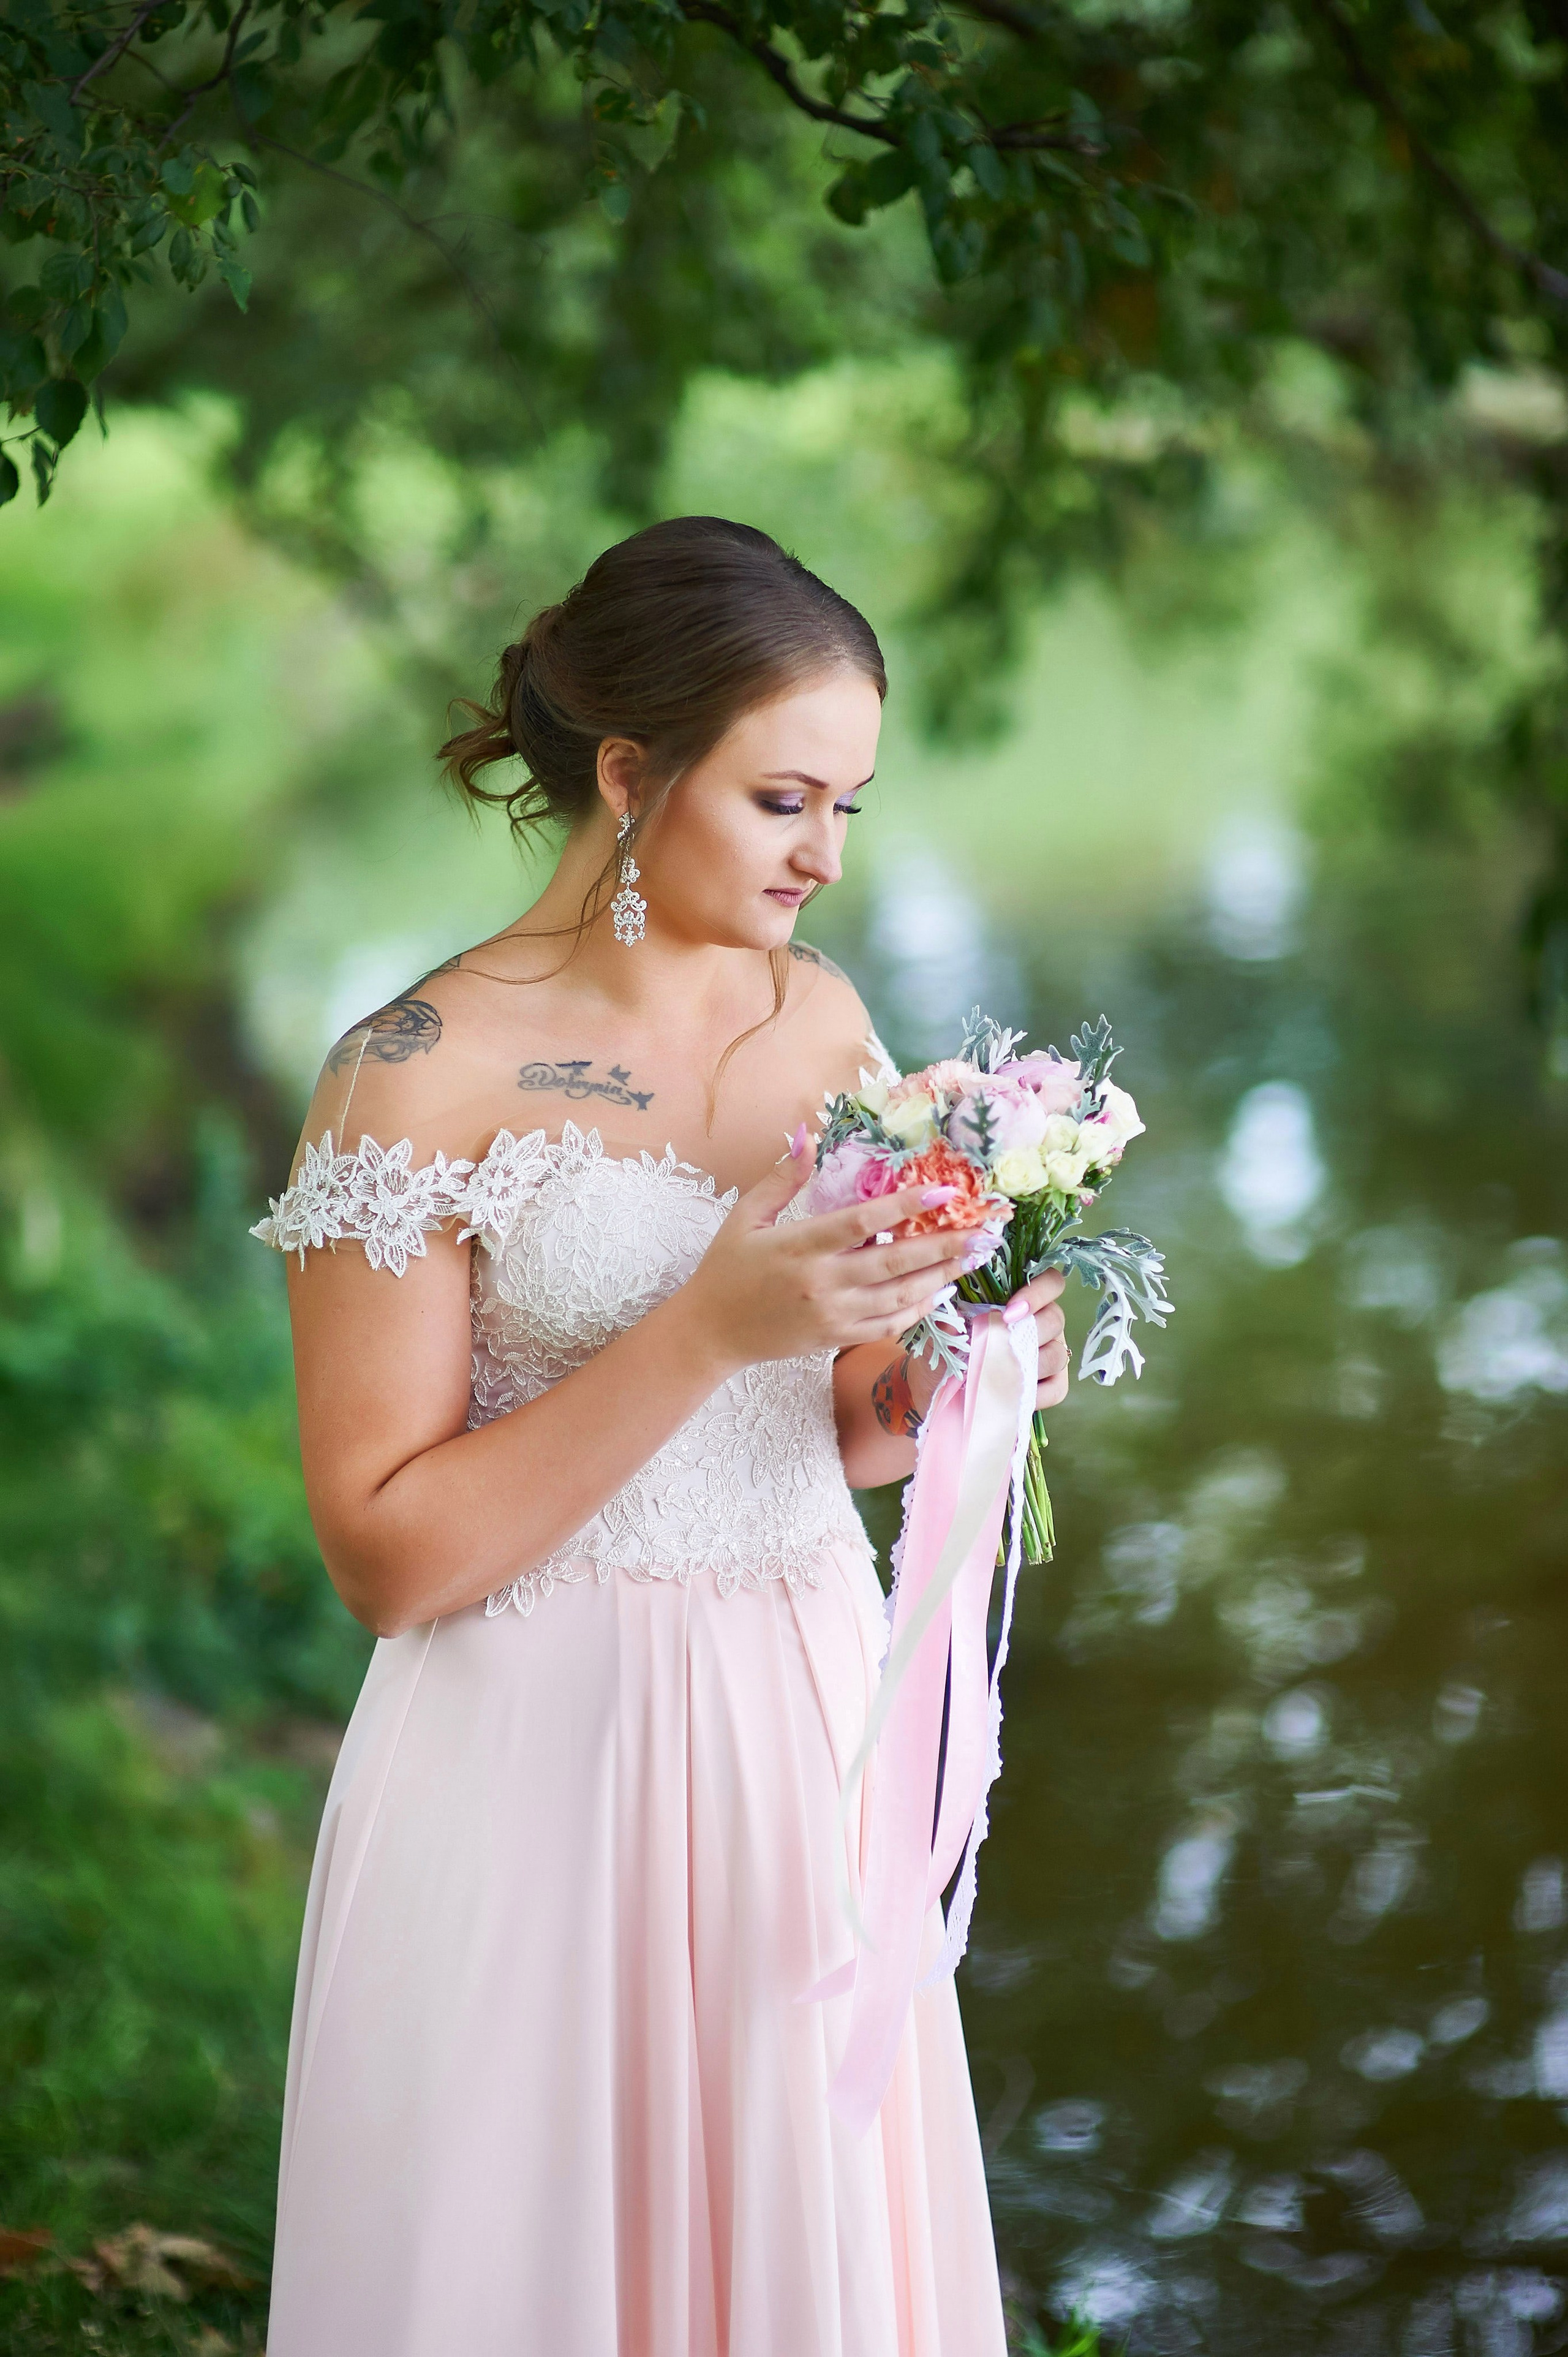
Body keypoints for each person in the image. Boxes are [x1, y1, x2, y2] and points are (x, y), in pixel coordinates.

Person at [252, 516, 1070, 2355]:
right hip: (533, 1753)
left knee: (789, 2244)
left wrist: (958, 1381)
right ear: (629, 776)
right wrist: (706, 1329)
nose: (826, 856)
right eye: (784, 801)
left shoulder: (824, 1020)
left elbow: (837, 1421)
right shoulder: (415, 1071)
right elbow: (386, 1556)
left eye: (849, 806)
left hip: (797, 1727)